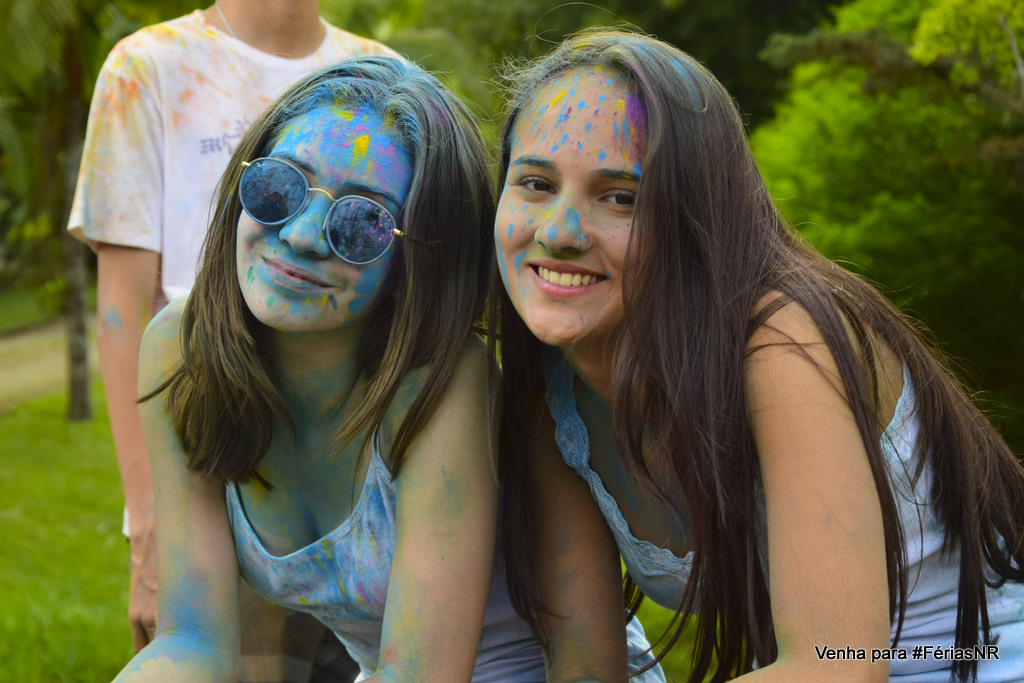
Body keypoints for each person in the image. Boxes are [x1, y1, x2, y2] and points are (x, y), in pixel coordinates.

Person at [492, 30, 1024, 682]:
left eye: (621, 196)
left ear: (698, 213)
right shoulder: (550, 397)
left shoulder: (781, 342)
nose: (559, 232)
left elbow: (838, 668)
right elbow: (585, 665)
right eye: (536, 183)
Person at [114, 55, 662, 682]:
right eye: (279, 187)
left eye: (363, 221)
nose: (302, 235)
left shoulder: (437, 382)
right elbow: (193, 641)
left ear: (418, 261)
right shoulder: (180, 353)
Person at [67, 1, 396, 678]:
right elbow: (122, 311)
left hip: (363, 475)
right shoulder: (147, 66)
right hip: (220, 470)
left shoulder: (381, 73)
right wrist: (148, 522)